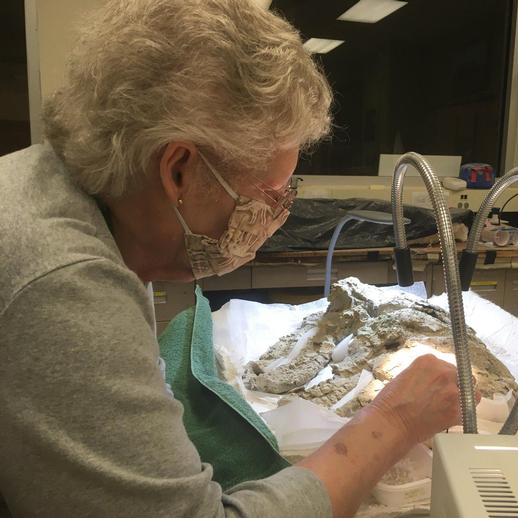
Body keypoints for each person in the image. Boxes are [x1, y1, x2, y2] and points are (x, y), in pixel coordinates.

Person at [0, 1, 473, 517]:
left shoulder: (54, 192)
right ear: (179, 170)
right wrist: (395, 421)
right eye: (266, 194)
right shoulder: (64, 285)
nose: (273, 217)